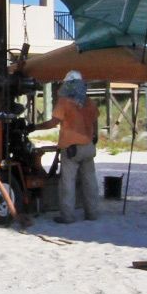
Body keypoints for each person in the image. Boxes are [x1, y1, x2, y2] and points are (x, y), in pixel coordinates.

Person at [32, 70, 101, 223]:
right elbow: (95, 121)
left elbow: (53, 123)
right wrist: (94, 136)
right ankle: (92, 213)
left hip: (72, 148)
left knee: (67, 183)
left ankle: (68, 216)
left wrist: (34, 127)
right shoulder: (88, 101)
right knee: (90, 181)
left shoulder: (64, 102)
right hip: (89, 146)